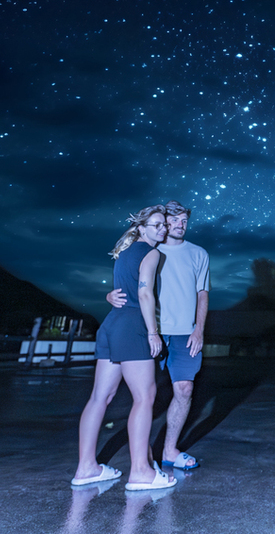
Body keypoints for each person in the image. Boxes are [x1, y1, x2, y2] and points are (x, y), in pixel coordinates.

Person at [72, 205, 176, 491]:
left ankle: (86, 468)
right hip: (132, 325)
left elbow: (121, 290)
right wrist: (153, 333)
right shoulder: (152, 253)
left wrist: (108, 296)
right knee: (144, 397)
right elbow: (143, 293)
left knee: (99, 397)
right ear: (141, 228)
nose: (162, 229)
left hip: (111, 325)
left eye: (164, 225)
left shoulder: (124, 252)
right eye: (156, 224)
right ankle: (141, 472)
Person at [108, 199, 210, 472]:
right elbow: (131, 282)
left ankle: (169, 451)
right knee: (144, 394)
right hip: (149, 329)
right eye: (174, 220)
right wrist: (109, 295)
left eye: (184, 221)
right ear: (164, 223)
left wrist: (199, 329)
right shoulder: (150, 247)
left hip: (185, 332)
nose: (179, 225)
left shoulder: (199, 253)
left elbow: (202, 294)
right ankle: (141, 459)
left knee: (184, 389)